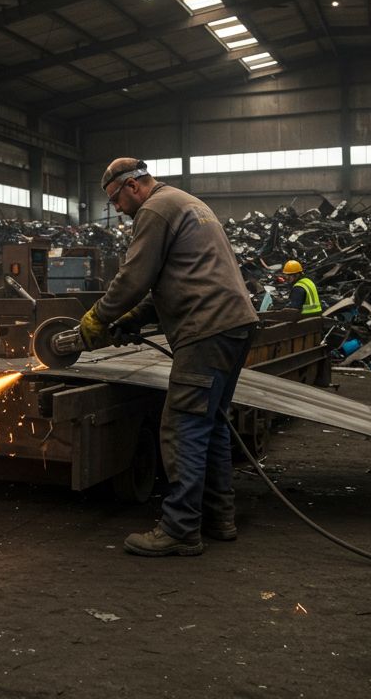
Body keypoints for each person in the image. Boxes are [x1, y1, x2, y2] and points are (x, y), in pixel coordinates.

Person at [79, 158, 258, 557]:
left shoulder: (155, 209)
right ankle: (219, 517)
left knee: (182, 425)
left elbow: (134, 277)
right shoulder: (186, 203)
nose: (117, 209)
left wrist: (97, 318)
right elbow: (176, 278)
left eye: (116, 199)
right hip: (234, 324)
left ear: (133, 186)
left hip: (205, 329)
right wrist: (133, 318)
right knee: (210, 424)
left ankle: (180, 528)